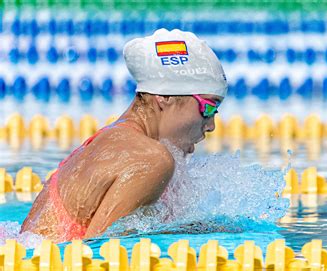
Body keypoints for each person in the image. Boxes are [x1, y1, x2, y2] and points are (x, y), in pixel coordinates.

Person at [21, 29, 228, 242]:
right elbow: (99, 252)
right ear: (164, 97)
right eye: (208, 108)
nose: (211, 125)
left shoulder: (110, 139)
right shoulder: (151, 159)